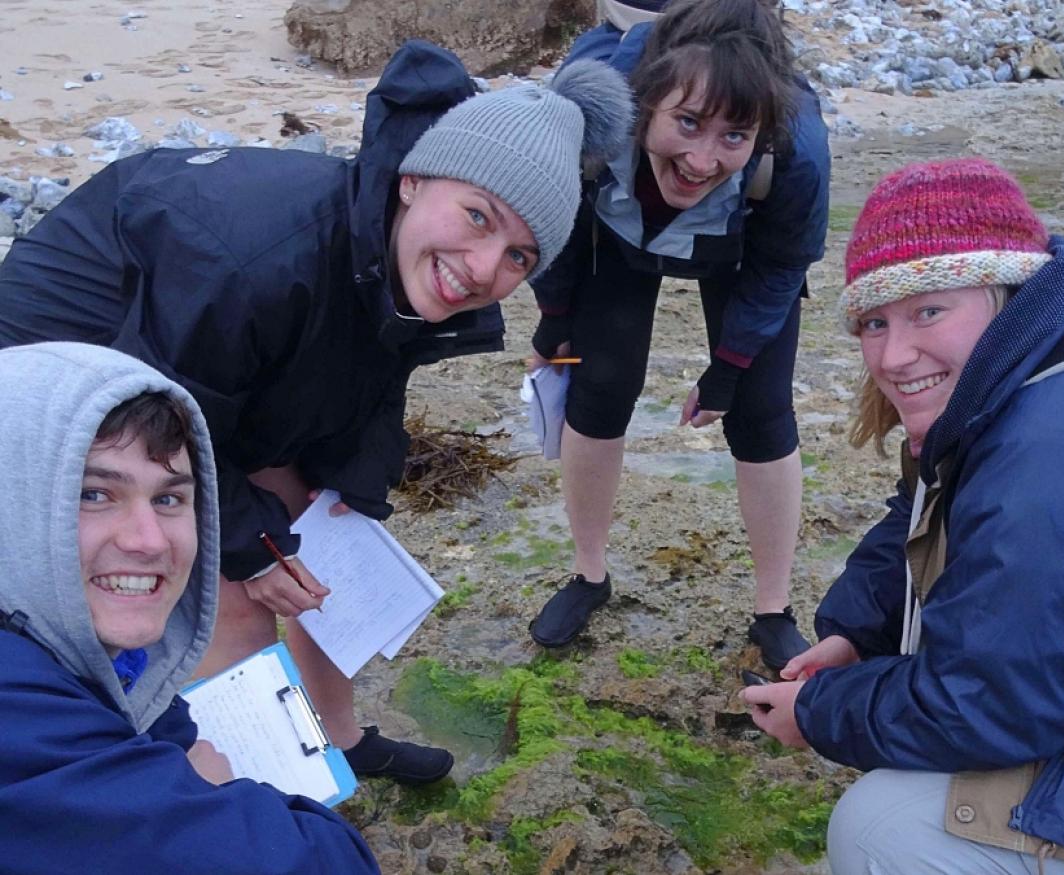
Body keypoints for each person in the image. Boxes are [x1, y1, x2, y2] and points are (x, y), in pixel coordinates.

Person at [0, 41, 633, 782]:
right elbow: (170, 427)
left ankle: (338, 736)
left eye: (521, 256)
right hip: (66, 369)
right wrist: (252, 548)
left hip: (203, 370)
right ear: (413, 181)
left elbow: (365, 384)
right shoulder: (257, 259)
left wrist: (349, 495)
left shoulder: (388, 252)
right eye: (478, 216)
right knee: (237, 589)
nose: (486, 267)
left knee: (321, 532)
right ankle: (267, 788)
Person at [741, 158, 1064, 875]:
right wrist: (854, 630)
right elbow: (927, 501)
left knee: (879, 831)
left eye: (928, 310)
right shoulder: (1046, 363)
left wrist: (818, 713)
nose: (895, 355)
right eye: (874, 321)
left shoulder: (1053, 456)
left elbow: (992, 706)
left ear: (1005, 288)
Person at [526, 0, 830, 670]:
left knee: (760, 411)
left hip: (743, 246)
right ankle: (588, 574)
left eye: (732, 136)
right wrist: (555, 316)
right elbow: (549, 212)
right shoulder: (589, 104)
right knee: (598, 388)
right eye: (687, 123)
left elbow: (783, 263)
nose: (699, 160)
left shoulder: (795, 148)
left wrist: (730, 362)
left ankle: (774, 609)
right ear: (646, 102)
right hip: (618, 233)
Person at [0, 341, 381, 874]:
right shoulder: (21, 725)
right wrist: (213, 788)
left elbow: (165, 728)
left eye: (169, 499)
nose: (150, 541)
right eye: (93, 494)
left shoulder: (75, 652)